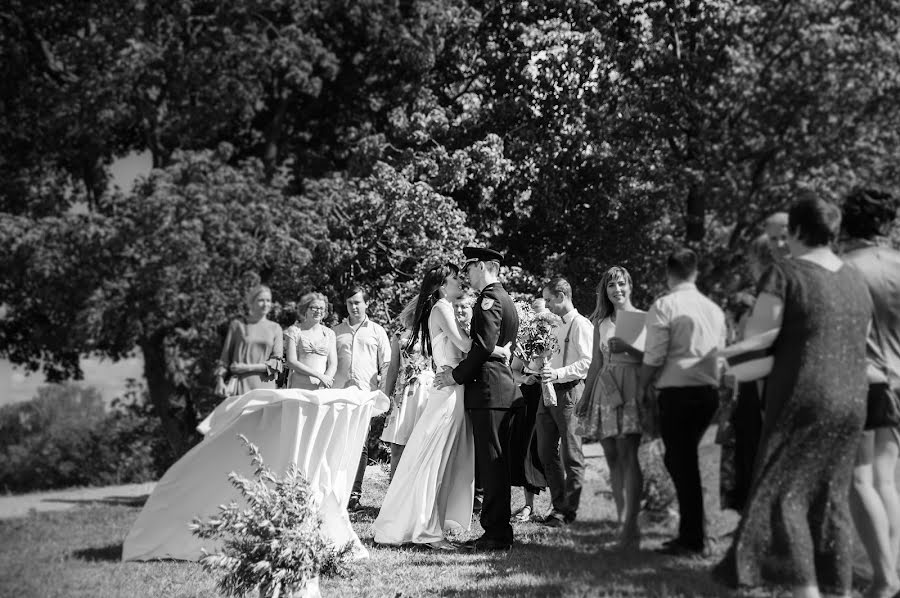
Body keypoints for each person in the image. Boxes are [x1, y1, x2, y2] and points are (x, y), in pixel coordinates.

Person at [715, 196, 872, 598]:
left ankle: (805, 592)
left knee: (785, 494)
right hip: (853, 400)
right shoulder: (855, 279)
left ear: (798, 231)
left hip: (803, 397)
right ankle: (835, 587)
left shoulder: (784, 274)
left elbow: (756, 341)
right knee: (830, 496)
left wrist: (726, 357)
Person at [373, 263, 509, 550]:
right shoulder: (442, 308)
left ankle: (429, 521)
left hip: (454, 390)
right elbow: (462, 345)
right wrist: (499, 349)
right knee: (434, 457)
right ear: (440, 284)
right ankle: (425, 528)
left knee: (442, 458)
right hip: (447, 391)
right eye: (453, 278)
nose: (460, 281)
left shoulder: (444, 308)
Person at [638, 248, 726, 557]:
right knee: (687, 462)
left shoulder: (665, 305)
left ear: (668, 273)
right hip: (709, 393)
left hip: (677, 393)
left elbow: (655, 354)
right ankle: (696, 532)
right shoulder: (714, 309)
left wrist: (642, 386)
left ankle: (693, 537)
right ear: (696, 272)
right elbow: (721, 354)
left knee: (681, 462)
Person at [435, 246, 521, 551]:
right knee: (496, 464)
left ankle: (496, 534)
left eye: (469, 267)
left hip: (489, 391)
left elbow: (483, 346)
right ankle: (497, 531)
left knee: (493, 464)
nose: (466, 273)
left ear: (483, 265)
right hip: (497, 390)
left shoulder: (490, 299)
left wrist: (454, 376)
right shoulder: (505, 298)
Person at [842, 187, 900, 598]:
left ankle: (883, 579)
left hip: (863, 380)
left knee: (860, 481)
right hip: (898, 382)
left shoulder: (845, 270)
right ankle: (890, 572)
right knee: (886, 481)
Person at [579, 266, 646, 549]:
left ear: (630, 285)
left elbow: (653, 359)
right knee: (612, 458)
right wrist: (584, 398)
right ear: (604, 291)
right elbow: (595, 363)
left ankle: (633, 527)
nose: (616, 290)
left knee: (630, 456)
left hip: (632, 389)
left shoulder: (641, 318)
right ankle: (622, 523)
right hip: (605, 391)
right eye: (610, 286)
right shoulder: (602, 323)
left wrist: (629, 349)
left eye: (621, 284)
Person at [718, 235, 777, 513]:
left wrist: (727, 356)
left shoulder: (771, 293)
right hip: (753, 383)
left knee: (752, 449)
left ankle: (751, 508)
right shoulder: (767, 293)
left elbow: (761, 341)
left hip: (762, 383)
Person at [536, 278, 593, 528]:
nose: (546, 305)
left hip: (570, 392)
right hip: (547, 393)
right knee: (545, 451)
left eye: (548, 300)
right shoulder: (553, 325)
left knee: (571, 453)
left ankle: (568, 511)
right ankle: (558, 505)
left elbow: (587, 362)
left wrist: (557, 374)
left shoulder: (581, 325)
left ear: (561, 296)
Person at [333, 285, 392, 512]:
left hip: (365, 396)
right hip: (339, 395)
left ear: (367, 303)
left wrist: (383, 395)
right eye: (350, 303)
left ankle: (354, 494)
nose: (354, 306)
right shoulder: (335, 332)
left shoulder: (377, 331)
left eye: (358, 302)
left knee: (361, 444)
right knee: (339, 442)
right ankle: (338, 490)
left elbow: (386, 365)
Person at [379, 298, 432, 480]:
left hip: (426, 391)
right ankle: (393, 496)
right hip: (403, 392)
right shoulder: (399, 333)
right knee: (397, 445)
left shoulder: (434, 332)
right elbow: (393, 367)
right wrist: (386, 395)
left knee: (422, 445)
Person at [509, 297, 549, 523]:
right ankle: (528, 505)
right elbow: (514, 370)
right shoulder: (526, 341)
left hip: (556, 392)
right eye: (535, 315)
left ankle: (558, 505)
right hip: (531, 396)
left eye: (543, 314)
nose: (539, 320)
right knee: (528, 448)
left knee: (552, 449)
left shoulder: (560, 337)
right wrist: (526, 378)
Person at [212, 285, 284, 398]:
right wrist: (220, 381)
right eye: (261, 300)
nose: (265, 304)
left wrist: (247, 368)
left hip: (266, 388)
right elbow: (224, 359)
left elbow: (276, 365)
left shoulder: (276, 328)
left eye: (268, 300)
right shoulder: (237, 325)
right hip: (241, 387)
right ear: (251, 303)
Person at [283, 292, 336, 391]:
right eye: (314, 307)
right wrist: (319, 376)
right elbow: (291, 362)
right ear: (305, 309)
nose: (318, 311)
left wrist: (326, 380)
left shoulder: (330, 334)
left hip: (321, 389)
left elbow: (333, 364)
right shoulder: (294, 331)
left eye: (321, 308)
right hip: (299, 388)